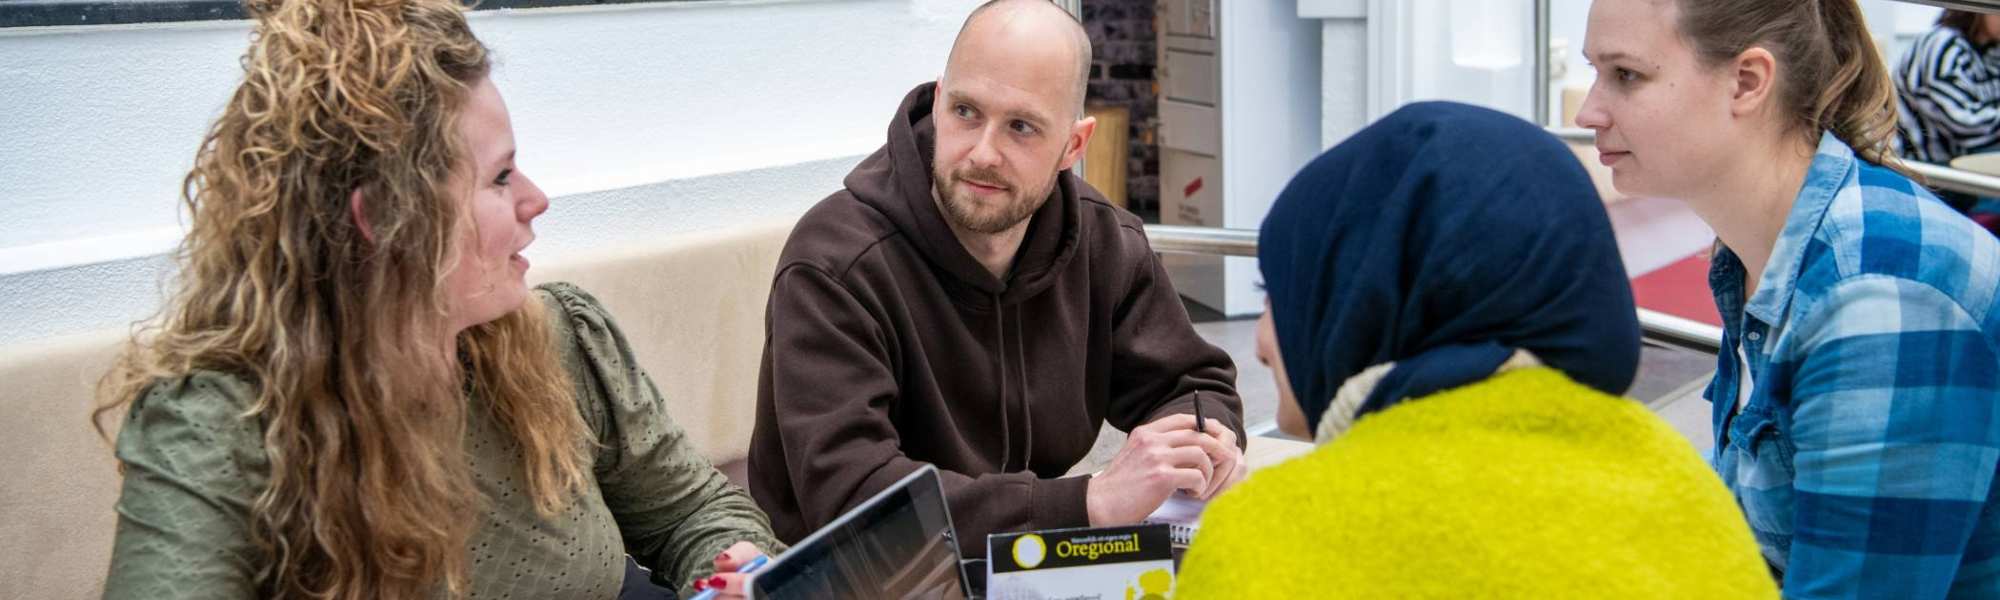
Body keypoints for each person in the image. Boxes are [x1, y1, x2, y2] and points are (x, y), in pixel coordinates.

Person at [92, 0, 780, 597]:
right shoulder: (218, 426)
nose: (537, 201)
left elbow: (693, 513)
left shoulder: (554, 335)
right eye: (501, 177)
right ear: (387, 220)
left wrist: (731, 570)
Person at [1171, 102, 1778, 598]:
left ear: (1372, 304)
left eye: (1279, 292)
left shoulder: (1270, 544)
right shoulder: (1692, 502)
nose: (1258, 342)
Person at [748, 0, 1245, 554]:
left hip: (1025, 566)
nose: (983, 152)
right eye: (965, 111)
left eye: (1022, 127)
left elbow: (1193, 385)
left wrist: (1198, 444)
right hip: (859, 575)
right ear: (937, 103)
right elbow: (857, 501)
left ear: (1073, 145)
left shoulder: (1104, 240)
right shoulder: (836, 262)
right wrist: (1087, 503)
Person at [1578, 0, 2000, 595]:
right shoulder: (1767, 247)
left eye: (1626, 75)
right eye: (1595, 72)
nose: (1587, 110)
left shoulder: (1877, 300)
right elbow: (1748, 493)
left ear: (1747, 82)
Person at [1896, 9, 2000, 230]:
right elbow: (1969, 127)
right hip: (1929, 174)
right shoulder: (1940, 46)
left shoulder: (1991, 52)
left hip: (1966, 171)